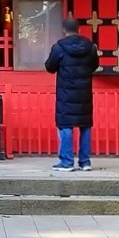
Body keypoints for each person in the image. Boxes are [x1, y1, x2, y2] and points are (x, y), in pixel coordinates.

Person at [45, 14, 99, 171]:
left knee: (65, 125)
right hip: (84, 92)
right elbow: (94, 65)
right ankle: (85, 162)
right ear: (79, 29)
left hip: (65, 93)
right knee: (85, 125)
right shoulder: (90, 47)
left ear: (64, 30)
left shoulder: (59, 47)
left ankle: (67, 162)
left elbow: (50, 67)